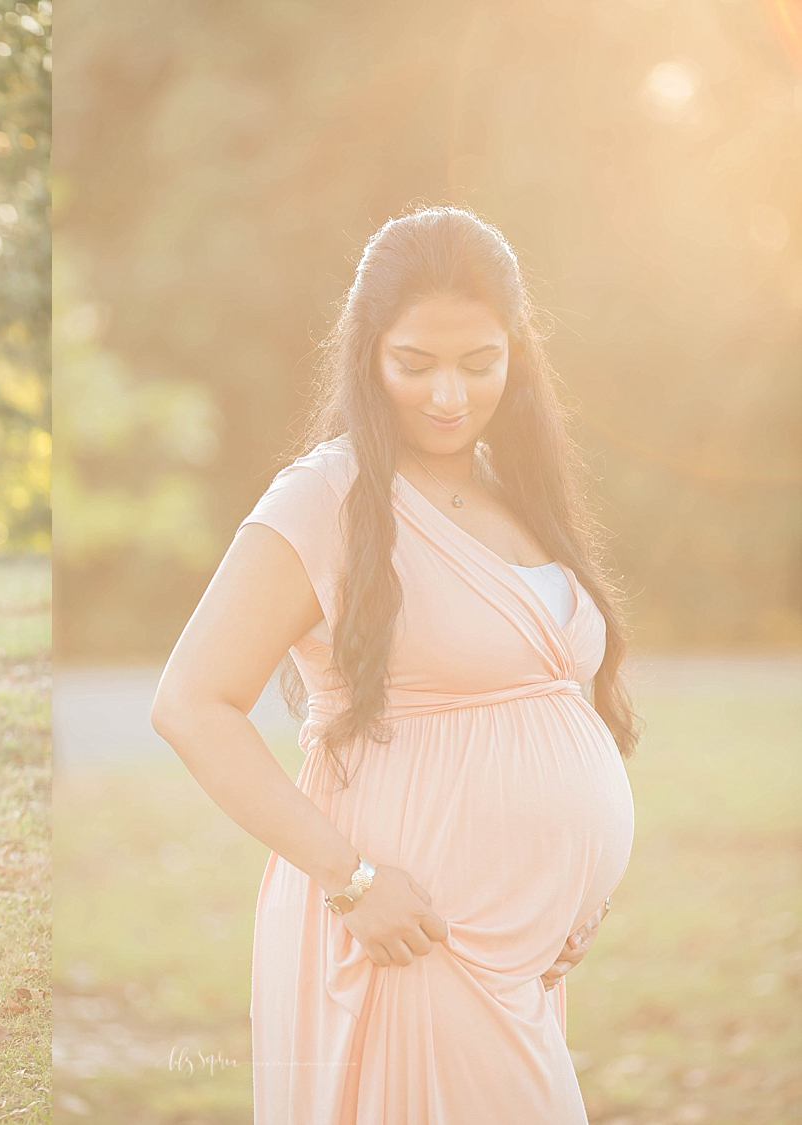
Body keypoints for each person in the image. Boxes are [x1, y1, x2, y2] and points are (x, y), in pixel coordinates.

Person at [150, 207, 639, 1122]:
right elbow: (190, 702)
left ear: (517, 351)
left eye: (479, 362)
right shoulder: (325, 497)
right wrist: (352, 880)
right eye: (416, 364)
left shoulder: (513, 486)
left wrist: (571, 886)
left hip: (509, 946)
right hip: (408, 934)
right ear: (368, 353)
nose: (448, 395)